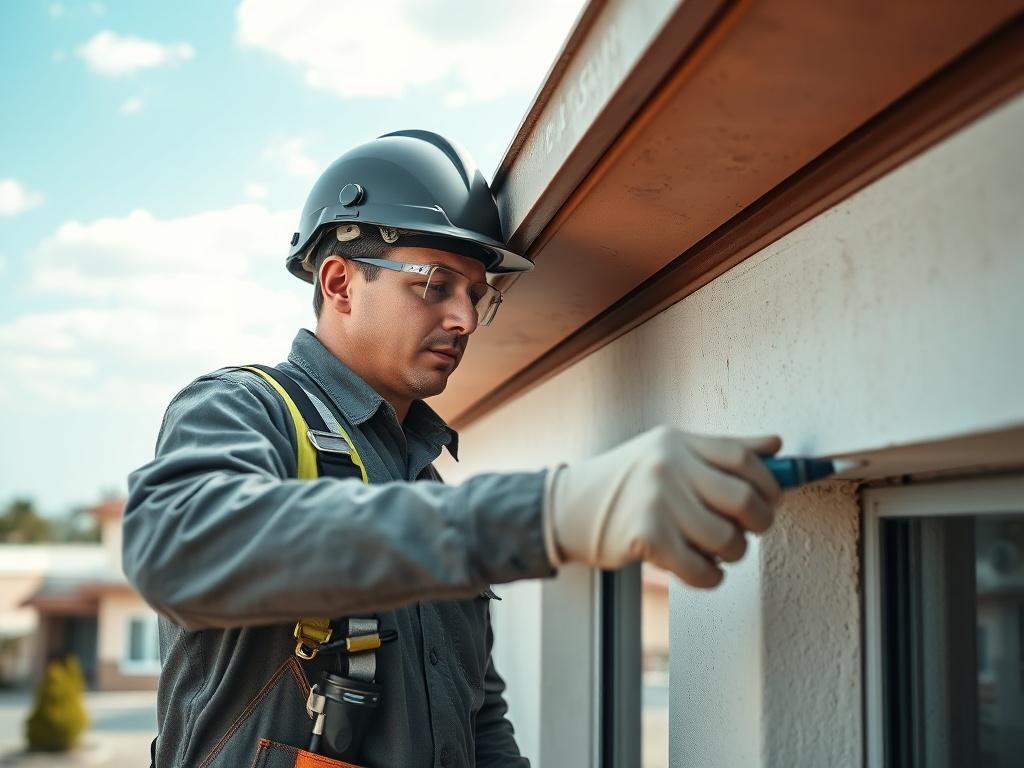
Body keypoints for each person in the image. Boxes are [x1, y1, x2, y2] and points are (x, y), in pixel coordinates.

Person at [123, 130, 782, 768]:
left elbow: (475, 714)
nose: (464, 319)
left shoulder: (426, 481)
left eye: (476, 295)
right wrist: (548, 512)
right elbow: (179, 548)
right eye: (435, 285)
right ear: (339, 283)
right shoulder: (241, 409)